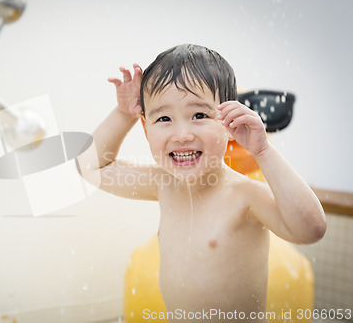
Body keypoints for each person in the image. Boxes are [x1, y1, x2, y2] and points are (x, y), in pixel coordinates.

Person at [76, 44, 326, 322]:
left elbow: (311, 230)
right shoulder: (163, 184)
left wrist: (263, 151)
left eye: (199, 115)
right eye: (164, 118)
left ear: (228, 123)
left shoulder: (244, 196)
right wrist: (124, 114)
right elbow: (89, 166)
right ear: (146, 129)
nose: (182, 134)